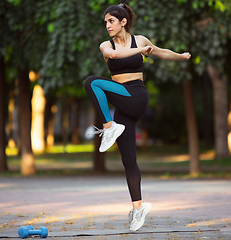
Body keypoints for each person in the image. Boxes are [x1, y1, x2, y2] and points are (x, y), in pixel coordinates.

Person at [84, 3, 191, 231]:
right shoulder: (106, 45)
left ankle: (109, 126)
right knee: (128, 160)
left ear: (123, 22)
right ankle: (138, 208)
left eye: (111, 21)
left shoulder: (140, 40)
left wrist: (181, 57)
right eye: (105, 22)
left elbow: (161, 52)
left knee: (91, 81)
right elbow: (114, 54)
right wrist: (140, 52)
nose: (107, 26)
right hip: (123, 104)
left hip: (137, 96)